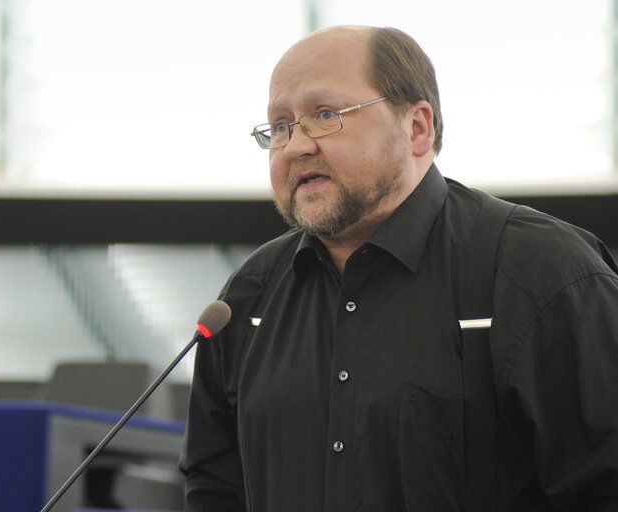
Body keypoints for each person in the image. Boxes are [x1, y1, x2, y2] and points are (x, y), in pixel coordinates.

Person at [179, 25, 618, 511]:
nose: (295, 146)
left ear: (417, 128)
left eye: (325, 115)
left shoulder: (544, 275)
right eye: (280, 126)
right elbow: (214, 485)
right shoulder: (249, 298)